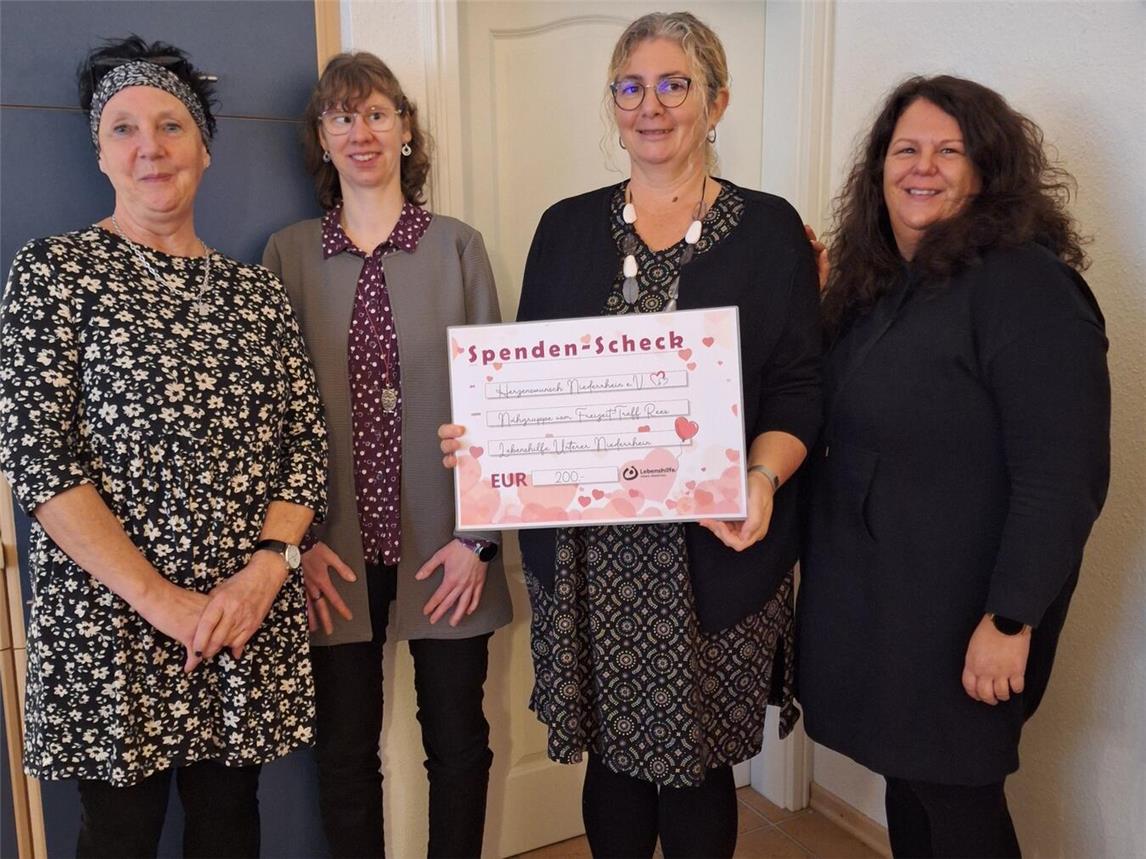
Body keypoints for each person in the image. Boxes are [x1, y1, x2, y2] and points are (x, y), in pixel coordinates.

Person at [440, 12, 821, 858]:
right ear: (613, 104)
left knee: (697, 769)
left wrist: (761, 478)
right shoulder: (565, 228)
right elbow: (528, 379)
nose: (651, 106)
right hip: (589, 555)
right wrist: (489, 439)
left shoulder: (769, 231)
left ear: (716, 102)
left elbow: (801, 386)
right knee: (611, 765)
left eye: (674, 84)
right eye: (631, 86)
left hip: (716, 546)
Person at [0, 36, 328, 857]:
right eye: (123, 127)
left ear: (205, 149)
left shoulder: (256, 292)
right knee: (119, 832)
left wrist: (263, 573)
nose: (149, 146)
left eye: (171, 125)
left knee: (230, 822)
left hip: (242, 614)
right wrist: (162, 601)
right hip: (110, 621)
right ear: (99, 152)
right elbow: (40, 461)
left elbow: (305, 446)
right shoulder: (54, 273)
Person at [796, 75, 1110, 858]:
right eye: (906, 149)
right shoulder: (875, 288)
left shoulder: (1027, 287)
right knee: (911, 785)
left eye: (949, 150)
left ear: (987, 170)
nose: (923, 167)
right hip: (883, 602)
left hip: (966, 610)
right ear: (879, 169)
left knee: (959, 802)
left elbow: (1063, 477)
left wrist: (1010, 620)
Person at [262, 52, 511, 859]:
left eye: (376, 113)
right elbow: (270, 418)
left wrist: (480, 539)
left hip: (449, 544)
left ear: (406, 129)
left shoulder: (459, 248)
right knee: (342, 751)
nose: (360, 131)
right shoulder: (287, 256)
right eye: (341, 116)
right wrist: (294, 546)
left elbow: (498, 409)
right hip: (329, 548)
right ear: (321, 139)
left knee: (458, 741)